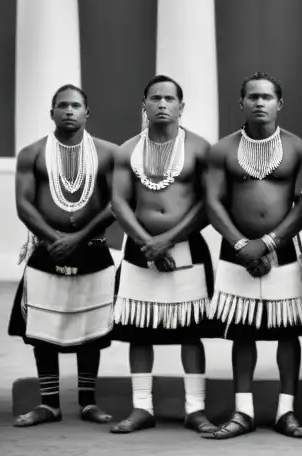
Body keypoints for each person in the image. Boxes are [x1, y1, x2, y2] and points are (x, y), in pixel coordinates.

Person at [200, 73, 302, 440]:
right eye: (253, 97)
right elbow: (213, 203)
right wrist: (240, 244)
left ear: (279, 104)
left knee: (287, 333)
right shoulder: (222, 150)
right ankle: (243, 411)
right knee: (242, 333)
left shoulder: (297, 148)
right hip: (235, 250)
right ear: (242, 103)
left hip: (281, 247)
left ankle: (287, 412)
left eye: (267, 97)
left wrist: (266, 243)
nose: (260, 103)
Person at [109, 75, 217, 436]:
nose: (162, 104)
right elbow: (120, 203)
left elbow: (209, 205)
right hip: (139, 248)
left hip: (186, 246)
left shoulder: (201, 149)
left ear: (181, 107)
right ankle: (142, 408)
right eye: (154, 98)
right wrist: (146, 244)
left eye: (169, 98)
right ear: (144, 105)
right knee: (139, 332)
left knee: (191, 332)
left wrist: (168, 239)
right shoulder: (127, 150)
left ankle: (195, 409)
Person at [8, 84, 118, 428]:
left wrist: (80, 237)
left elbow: (118, 202)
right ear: (52, 112)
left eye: (76, 106)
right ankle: (49, 404)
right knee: (44, 327)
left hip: (93, 246)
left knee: (92, 328)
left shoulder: (109, 153)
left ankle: (88, 402)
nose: (69, 111)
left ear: (87, 113)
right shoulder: (32, 154)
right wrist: (53, 238)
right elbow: (24, 203)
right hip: (46, 248)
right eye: (62, 106)